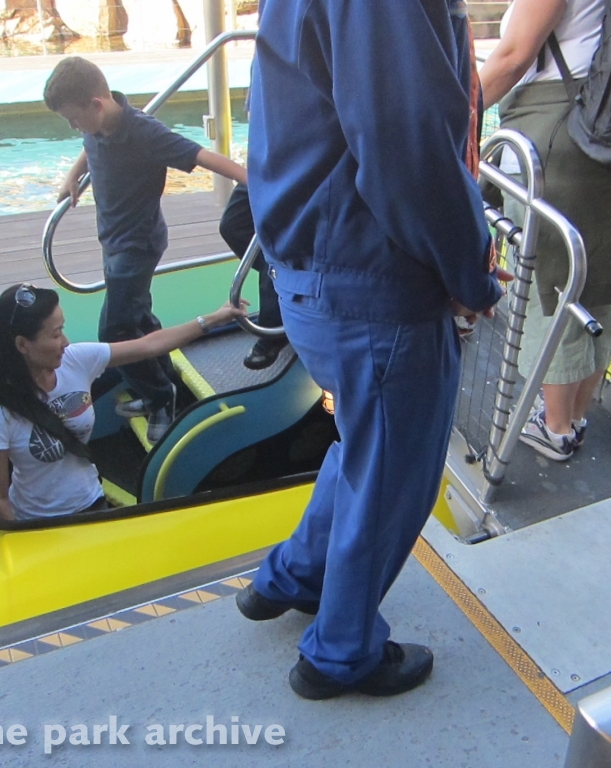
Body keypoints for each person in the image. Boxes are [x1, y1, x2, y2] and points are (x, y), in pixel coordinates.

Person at [236, 0, 506, 699]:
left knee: (367, 448)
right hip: (372, 279)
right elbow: (409, 143)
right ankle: (340, 654)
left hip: (313, 269)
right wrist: (469, 271)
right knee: (395, 472)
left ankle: (292, 576)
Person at [478, 0, 611, 461]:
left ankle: (555, 426)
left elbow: (513, 56)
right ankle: (573, 419)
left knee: (554, 292)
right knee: (603, 288)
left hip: (565, 139)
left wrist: (446, 122)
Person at [43, 56, 248, 442]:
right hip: (114, 241)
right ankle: (164, 378)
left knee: (115, 329)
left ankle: (159, 397)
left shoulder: (144, 133)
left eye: (74, 119)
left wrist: (251, 180)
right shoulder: (99, 124)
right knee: (138, 317)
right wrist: (73, 175)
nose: (74, 128)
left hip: (137, 246)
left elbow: (201, 156)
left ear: (96, 105)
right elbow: (89, 145)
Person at [0, 283, 247, 522]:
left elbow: (148, 346)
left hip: (93, 502)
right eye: (56, 335)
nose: (65, 342)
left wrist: (212, 319)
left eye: (63, 330)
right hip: (40, 523)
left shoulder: (75, 361)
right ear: (22, 345)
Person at [218, 183, 289, 369]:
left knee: (275, 239)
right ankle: (286, 279)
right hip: (267, 159)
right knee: (232, 225)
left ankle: (273, 329)